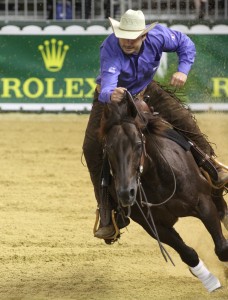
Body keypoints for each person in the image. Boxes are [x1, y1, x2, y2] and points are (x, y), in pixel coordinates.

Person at [83, 9, 228, 240]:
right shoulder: (110, 47)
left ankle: (212, 166)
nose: (128, 42)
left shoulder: (159, 36)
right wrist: (111, 94)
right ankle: (107, 210)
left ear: (144, 35)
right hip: (113, 99)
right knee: (92, 149)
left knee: (183, 119)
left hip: (145, 89)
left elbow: (186, 44)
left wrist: (183, 70)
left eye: (133, 37)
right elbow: (108, 85)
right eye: (124, 36)